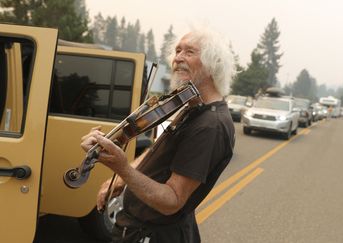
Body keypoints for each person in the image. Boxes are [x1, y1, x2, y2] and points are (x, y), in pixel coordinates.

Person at [80, 27, 236, 243]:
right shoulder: (191, 106)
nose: (177, 58)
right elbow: (157, 149)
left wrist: (123, 169)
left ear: (212, 65)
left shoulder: (211, 126)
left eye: (189, 52)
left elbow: (171, 199)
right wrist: (119, 179)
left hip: (155, 236)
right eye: (177, 51)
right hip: (137, 229)